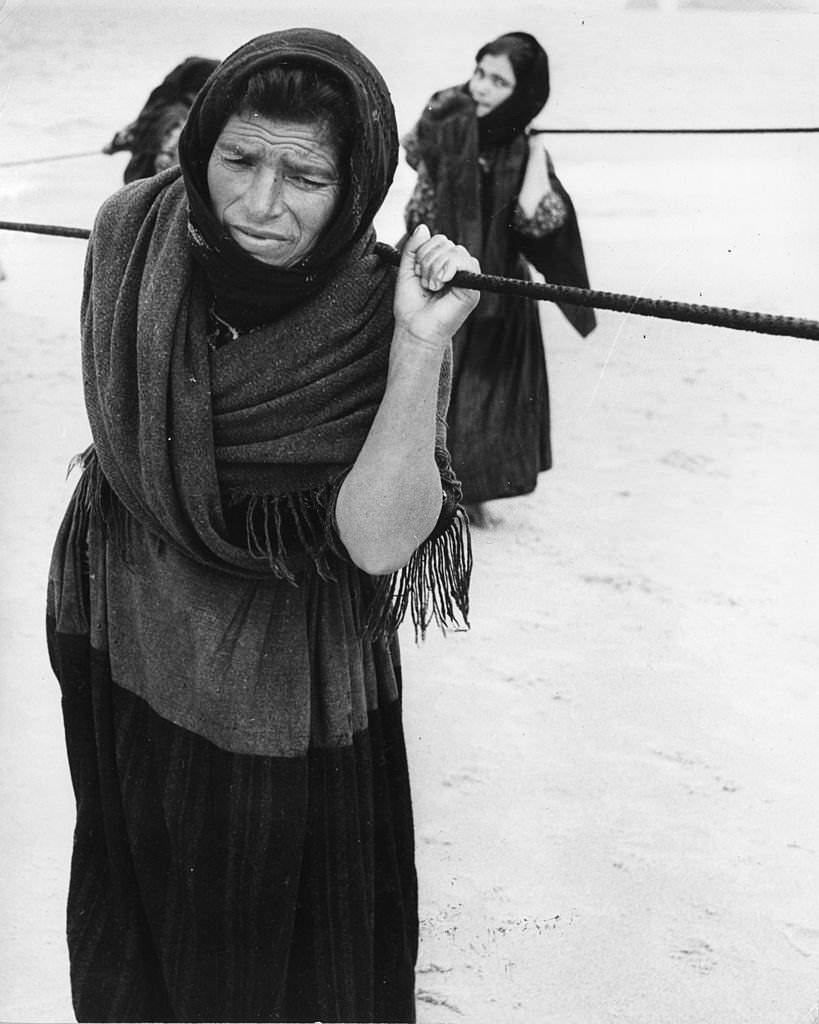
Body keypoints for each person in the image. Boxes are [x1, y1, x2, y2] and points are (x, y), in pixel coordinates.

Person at [47, 28, 480, 1024]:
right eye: (238, 161)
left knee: (277, 960)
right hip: (128, 632)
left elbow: (377, 545)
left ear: (358, 182)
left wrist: (418, 348)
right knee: (137, 910)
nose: (261, 203)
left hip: (279, 686)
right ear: (197, 150)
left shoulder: (376, 310)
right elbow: (123, 431)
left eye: (306, 176)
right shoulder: (131, 233)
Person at [402, 31, 596, 527]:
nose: (481, 87)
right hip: (441, 278)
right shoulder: (447, 123)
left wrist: (535, 153)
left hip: (500, 293)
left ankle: (471, 495)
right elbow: (419, 203)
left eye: (498, 82)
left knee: (488, 401)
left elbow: (537, 221)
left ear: (524, 94)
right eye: (480, 72)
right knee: (432, 389)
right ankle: (429, 492)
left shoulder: (524, 147)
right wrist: (444, 133)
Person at [103, 55, 219, 182]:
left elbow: (124, 138)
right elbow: (166, 161)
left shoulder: (158, 106)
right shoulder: (181, 117)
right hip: (152, 186)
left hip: (133, 182)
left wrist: (111, 147)